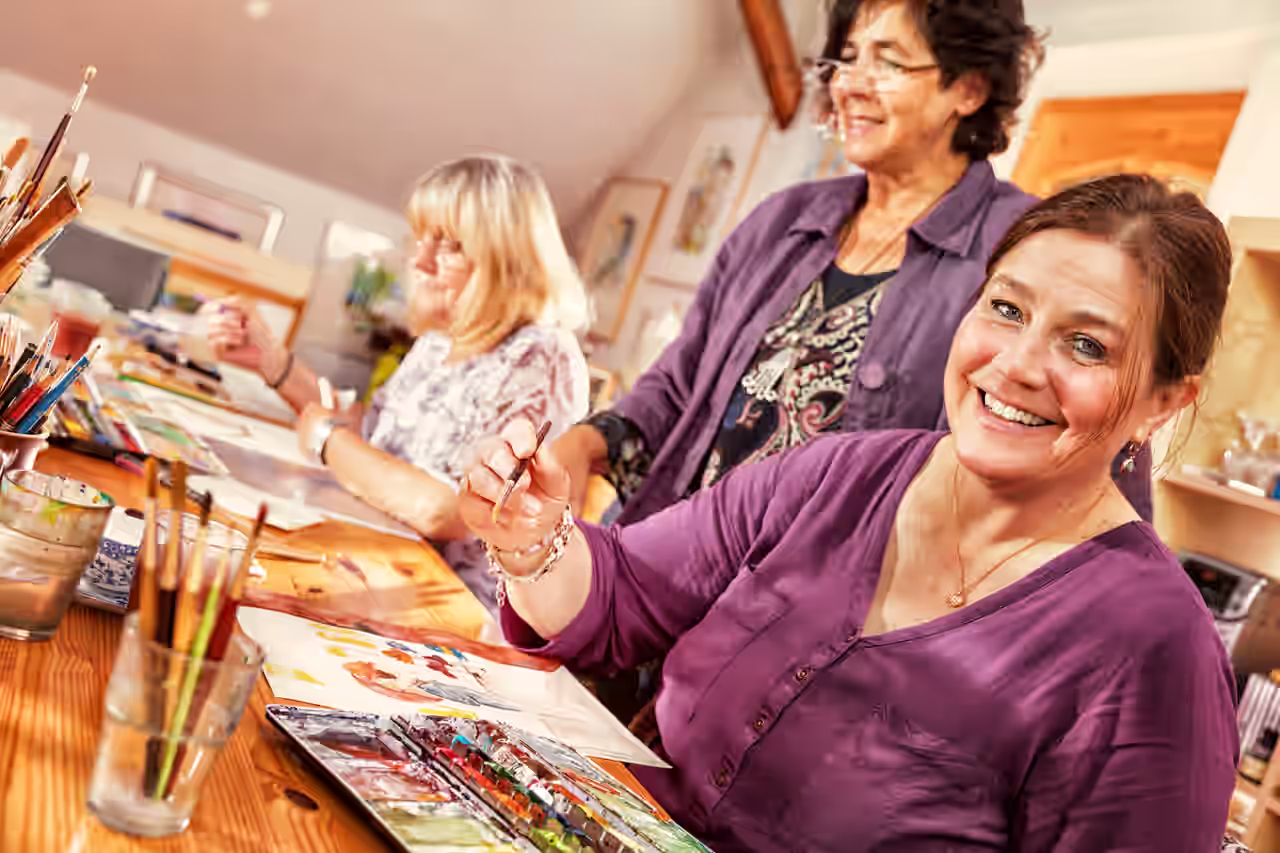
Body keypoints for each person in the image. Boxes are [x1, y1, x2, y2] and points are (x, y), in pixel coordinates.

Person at [459, 175, 1238, 851]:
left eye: (1087, 346)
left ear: (1164, 403)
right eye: (1006, 308)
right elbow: (623, 589)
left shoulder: (1156, 649)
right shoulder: (843, 470)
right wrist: (533, 536)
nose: (1017, 364)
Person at [555, 0, 1147, 531]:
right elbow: (679, 383)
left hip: (825, 611)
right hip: (659, 564)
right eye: (846, 58)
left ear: (968, 89)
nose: (849, 85)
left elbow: (1081, 469)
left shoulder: (1025, 247)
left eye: (888, 62)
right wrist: (583, 444)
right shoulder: (782, 219)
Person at [203, 155, 590, 608]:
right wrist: (273, 363)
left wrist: (327, 440)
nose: (420, 261)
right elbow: (371, 440)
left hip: (446, 604)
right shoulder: (440, 341)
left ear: (505, 260)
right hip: (369, 563)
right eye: (422, 238)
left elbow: (448, 511)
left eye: (448, 245)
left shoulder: (541, 356)